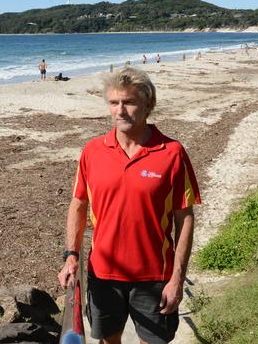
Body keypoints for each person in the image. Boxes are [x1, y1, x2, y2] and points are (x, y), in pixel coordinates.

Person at [58, 67, 201, 344]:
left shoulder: (172, 153)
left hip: (155, 276)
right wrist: (70, 256)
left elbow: (185, 218)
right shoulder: (92, 151)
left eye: (129, 102)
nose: (120, 110)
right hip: (104, 273)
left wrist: (177, 279)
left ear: (148, 105)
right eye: (114, 103)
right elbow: (78, 204)